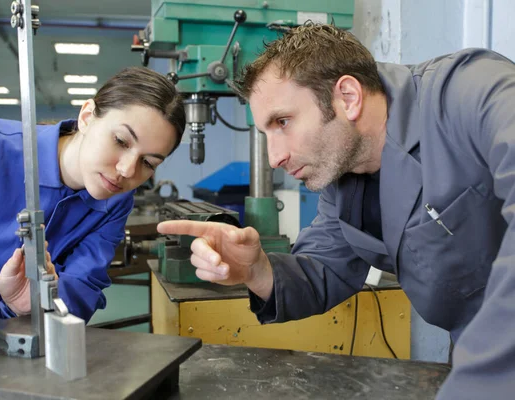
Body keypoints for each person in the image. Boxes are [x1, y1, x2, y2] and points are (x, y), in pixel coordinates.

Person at [157, 23, 515, 399]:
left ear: (347, 96)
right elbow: (322, 270)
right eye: (266, 133)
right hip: (473, 353)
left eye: (283, 122)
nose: (274, 157)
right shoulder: (344, 180)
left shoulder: (472, 92)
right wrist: (255, 269)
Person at [0, 66, 185, 323]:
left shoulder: (115, 201)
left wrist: (34, 305)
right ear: (87, 117)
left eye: (148, 163)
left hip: (19, 341)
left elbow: (84, 285)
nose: (126, 170)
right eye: (121, 141)